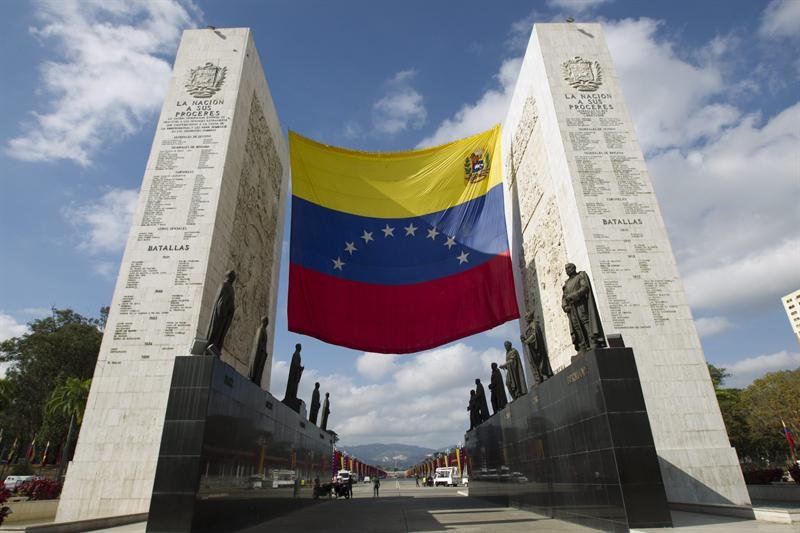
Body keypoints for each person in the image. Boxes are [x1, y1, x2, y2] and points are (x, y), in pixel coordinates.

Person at [562, 263, 606, 354]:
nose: (566, 270)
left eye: (568, 268)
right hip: (572, 308)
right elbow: (564, 297)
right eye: (565, 269)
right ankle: (583, 346)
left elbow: (585, 288)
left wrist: (573, 296)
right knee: (576, 326)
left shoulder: (580, 276)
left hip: (581, 304)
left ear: (573, 268)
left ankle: (592, 342)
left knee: (585, 322)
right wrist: (565, 306)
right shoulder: (566, 283)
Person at [205, 270, 236, 356]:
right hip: (221, 315)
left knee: (220, 335)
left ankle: (215, 350)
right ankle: (209, 349)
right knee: (215, 333)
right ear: (230, 276)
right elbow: (220, 302)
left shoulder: (230, 288)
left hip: (225, 316)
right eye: (234, 276)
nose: (235, 278)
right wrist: (224, 312)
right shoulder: (224, 285)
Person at [521, 310, 553, 383]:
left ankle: (545, 374)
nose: (525, 318)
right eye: (525, 317)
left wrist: (527, 341)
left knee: (541, 362)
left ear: (530, 316)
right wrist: (524, 339)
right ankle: (539, 378)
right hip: (532, 349)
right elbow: (529, 336)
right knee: (534, 364)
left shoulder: (534, 324)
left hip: (538, 349)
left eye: (526, 316)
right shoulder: (528, 327)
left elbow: (534, 335)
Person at [248, 316, 269, 386]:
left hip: (262, 352)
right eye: (267, 321)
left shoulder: (264, 330)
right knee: (255, 366)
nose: (268, 323)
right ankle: (252, 377)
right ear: (264, 321)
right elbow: (258, 342)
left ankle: (256, 380)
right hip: (259, 352)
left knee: (259, 368)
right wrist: (260, 350)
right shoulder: (260, 329)